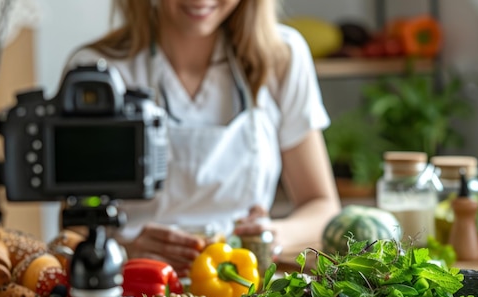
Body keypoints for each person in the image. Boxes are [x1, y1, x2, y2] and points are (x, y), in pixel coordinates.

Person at [66, 0, 341, 274]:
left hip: (243, 289)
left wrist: (273, 235)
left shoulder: (283, 55)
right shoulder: (96, 71)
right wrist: (126, 250)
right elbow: (73, 232)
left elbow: (322, 206)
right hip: (137, 288)